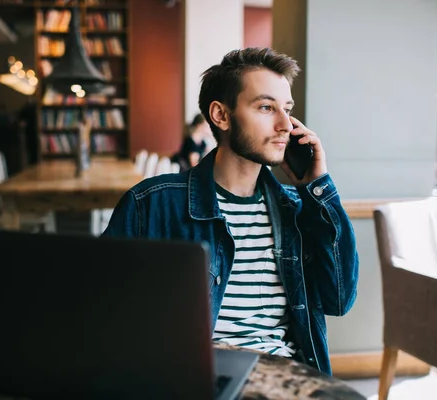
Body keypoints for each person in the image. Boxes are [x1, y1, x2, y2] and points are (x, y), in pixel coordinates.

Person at [102, 47, 359, 375]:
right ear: (221, 115)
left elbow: (339, 299)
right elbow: (108, 311)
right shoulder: (151, 204)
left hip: (286, 377)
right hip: (195, 375)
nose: (285, 125)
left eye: (288, 109)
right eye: (266, 107)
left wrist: (318, 188)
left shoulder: (296, 211)